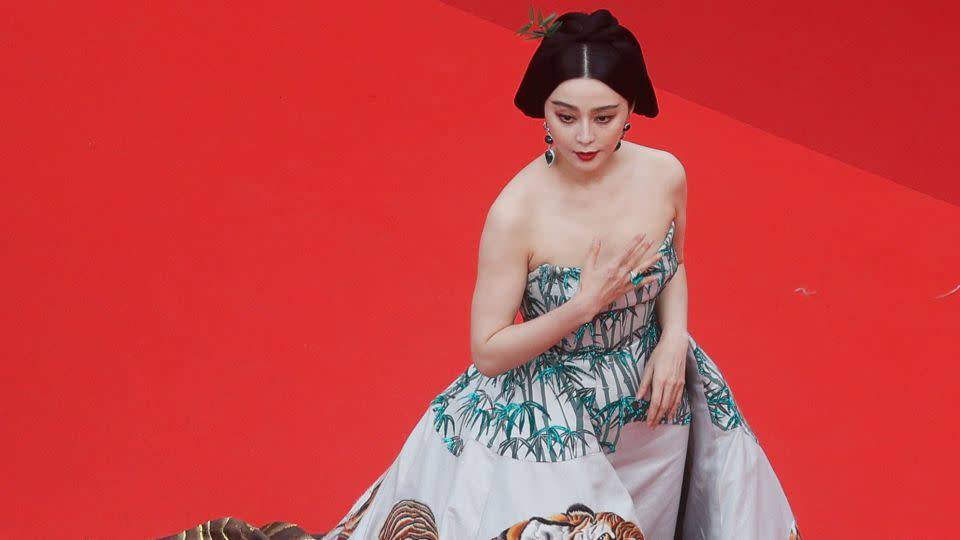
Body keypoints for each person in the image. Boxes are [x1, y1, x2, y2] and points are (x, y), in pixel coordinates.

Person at [158, 8, 802, 540]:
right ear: (540, 112)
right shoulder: (516, 211)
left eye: (604, 117)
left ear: (631, 108)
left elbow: (676, 264)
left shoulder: (665, 173)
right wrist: (584, 305)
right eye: (564, 115)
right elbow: (488, 352)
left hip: (654, 405)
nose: (584, 136)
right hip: (548, 408)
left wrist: (672, 340)